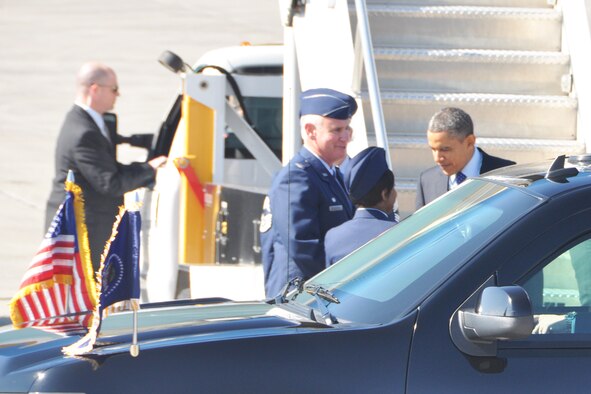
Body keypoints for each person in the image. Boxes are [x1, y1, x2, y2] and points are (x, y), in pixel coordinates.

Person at [45, 62, 167, 271]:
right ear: (95, 89)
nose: (117, 95)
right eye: (114, 89)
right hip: (81, 230)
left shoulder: (89, 121)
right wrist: (149, 169)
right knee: (85, 292)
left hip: (87, 224)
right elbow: (110, 182)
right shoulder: (84, 132)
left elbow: (108, 164)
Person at [260, 88, 357, 298]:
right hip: (301, 295)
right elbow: (303, 246)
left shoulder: (330, 174)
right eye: (336, 130)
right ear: (311, 131)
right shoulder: (295, 178)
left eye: (347, 129)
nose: (345, 137)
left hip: (319, 293)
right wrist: (341, 281)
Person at [415, 107, 515, 209]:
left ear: (470, 142)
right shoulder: (427, 181)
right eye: (433, 149)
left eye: (445, 149)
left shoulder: (507, 174)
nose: (437, 158)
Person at [324, 146, 398, 266]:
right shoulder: (397, 233)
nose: (395, 194)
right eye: (393, 188)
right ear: (384, 194)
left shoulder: (332, 236)